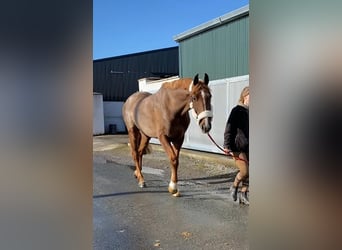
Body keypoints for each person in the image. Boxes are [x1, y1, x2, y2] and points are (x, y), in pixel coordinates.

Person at [223, 86, 249, 205]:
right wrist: (227, 145)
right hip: (238, 146)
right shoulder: (237, 111)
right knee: (244, 171)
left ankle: (243, 195)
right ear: (245, 96)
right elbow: (229, 129)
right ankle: (234, 186)